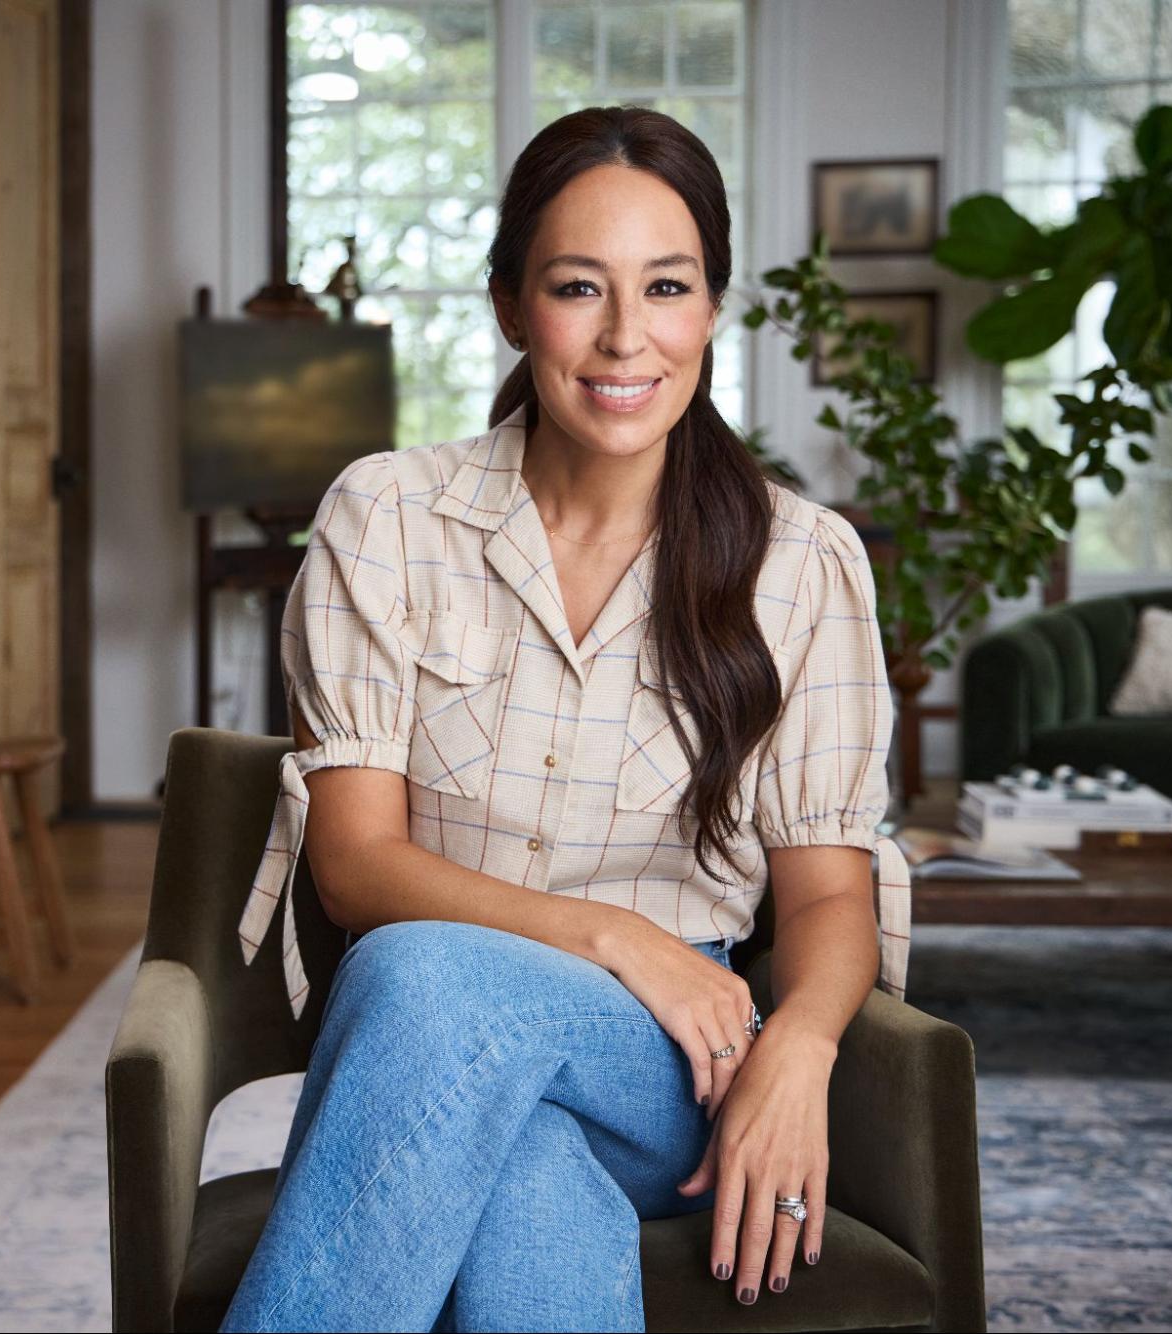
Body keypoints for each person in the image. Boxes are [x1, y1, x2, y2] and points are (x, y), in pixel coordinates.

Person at [223, 103, 911, 1333]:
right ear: (509, 307)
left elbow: (825, 899)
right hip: (426, 1015)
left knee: (427, 987)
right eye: (577, 287)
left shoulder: (803, 562)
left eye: (665, 286)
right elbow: (354, 863)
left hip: (667, 1054)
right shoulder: (386, 517)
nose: (624, 336)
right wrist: (609, 932)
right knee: (513, 1158)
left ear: (710, 308)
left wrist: (797, 1048)